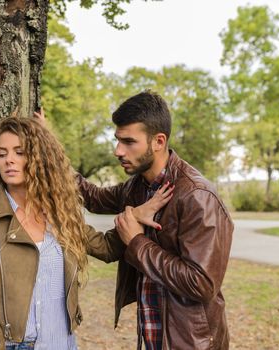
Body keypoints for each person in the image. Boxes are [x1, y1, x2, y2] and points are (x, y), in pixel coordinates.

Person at [0, 116, 172, 350]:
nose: (9, 161)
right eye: (2, 154)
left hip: (60, 344)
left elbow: (107, 248)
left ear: (38, 158)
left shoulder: (60, 214)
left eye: (19, 152)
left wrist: (135, 216)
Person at [77, 90, 234, 350]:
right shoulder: (136, 188)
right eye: (117, 140)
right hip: (154, 338)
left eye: (129, 142)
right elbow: (92, 197)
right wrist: (48, 148)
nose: (118, 150)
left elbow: (202, 284)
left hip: (191, 344)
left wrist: (136, 242)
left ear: (158, 141)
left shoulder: (197, 196)